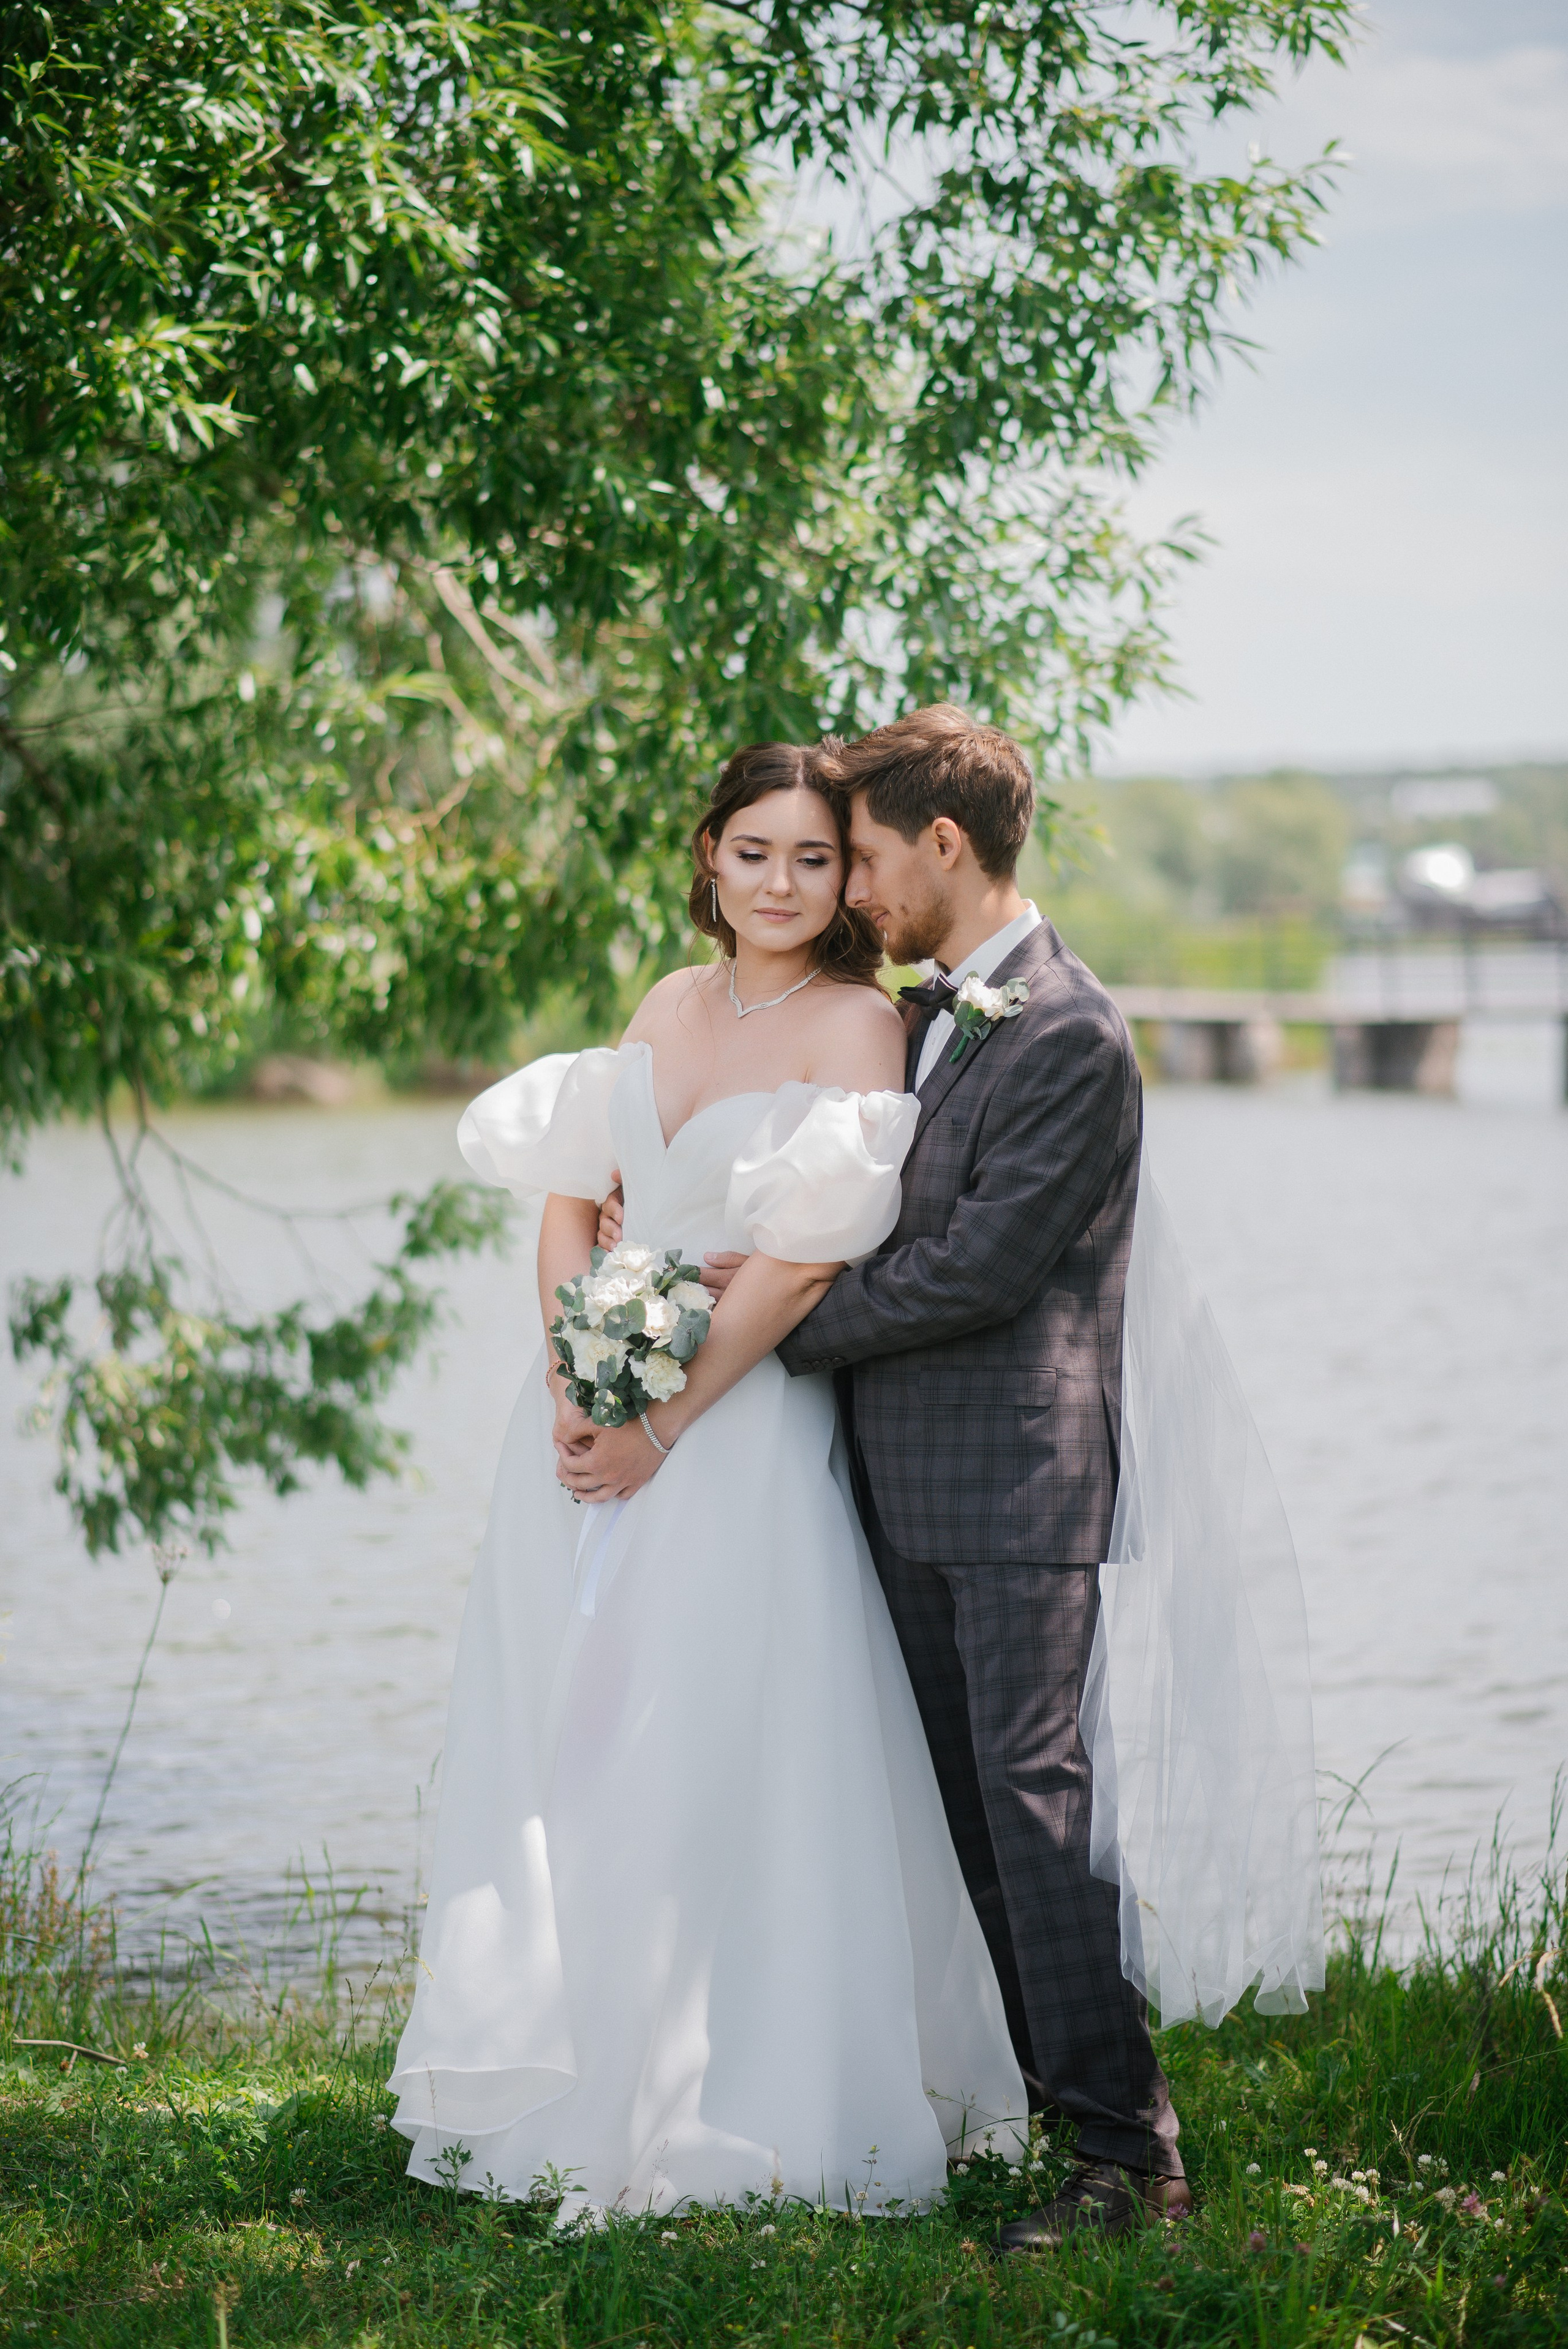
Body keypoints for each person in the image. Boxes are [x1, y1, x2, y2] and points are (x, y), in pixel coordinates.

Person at [598, 706, 1322, 2248]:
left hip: (1011, 1493)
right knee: (967, 1818)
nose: (848, 887)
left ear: (941, 845)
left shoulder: (1063, 1029)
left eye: (858, 855)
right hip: (897, 1484)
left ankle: (1130, 2162)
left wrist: (765, 1316)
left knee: (1033, 1808)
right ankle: (1053, 2121)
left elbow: (979, 1274)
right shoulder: (931, 1012)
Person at [387, 738, 1030, 2220]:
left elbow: (803, 1263)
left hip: (730, 1436)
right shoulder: (665, 1001)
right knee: (570, 1727)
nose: (784, 883)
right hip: (574, 1427)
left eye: (816, 858)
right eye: (755, 852)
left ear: (847, 877)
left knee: (710, 1733)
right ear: (708, 855)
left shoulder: (856, 1026)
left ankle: (737, 2092)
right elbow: (569, 1204)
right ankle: (574, 2068)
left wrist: (660, 1424)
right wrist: (571, 1372)